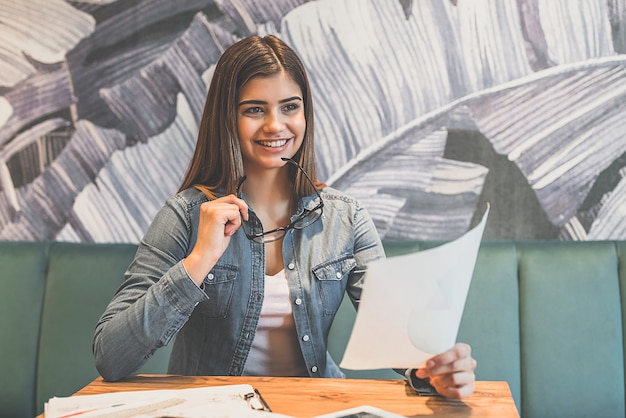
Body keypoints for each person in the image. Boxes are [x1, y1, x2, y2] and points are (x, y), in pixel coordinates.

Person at [93, 34, 477, 399]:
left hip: (317, 407)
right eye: (255, 109)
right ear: (226, 118)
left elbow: (399, 336)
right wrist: (198, 261)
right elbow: (111, 356)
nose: (275, 125)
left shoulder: (346, 218)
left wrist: (436, 369)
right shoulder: (184, 216)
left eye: (290, 107)